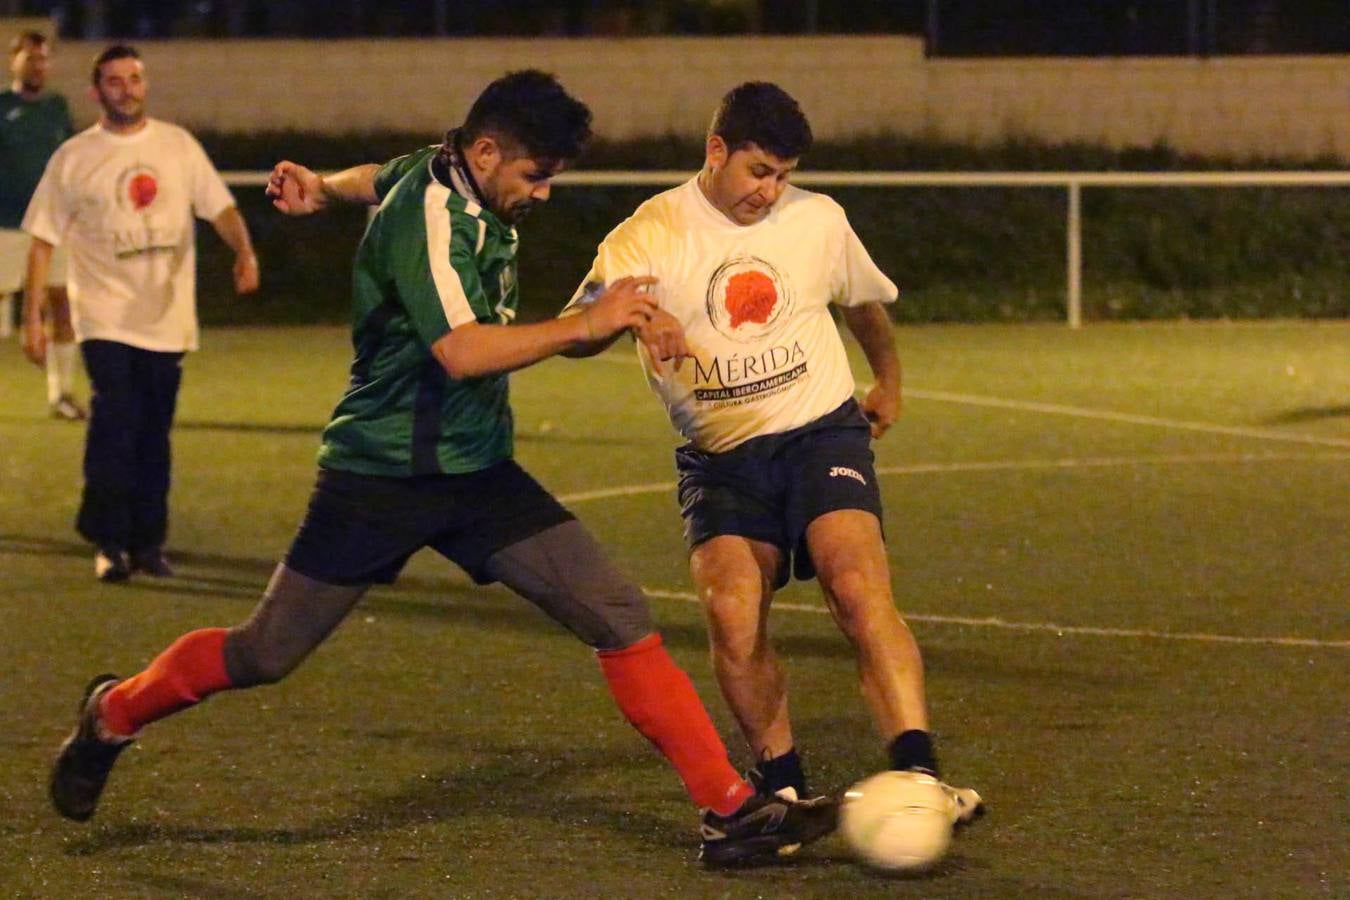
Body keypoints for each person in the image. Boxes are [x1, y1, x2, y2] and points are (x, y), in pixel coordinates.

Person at [48, 70, 834, 868]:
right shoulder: (429, 213)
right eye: (535, 176)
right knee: (264, 653)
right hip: (381, 475)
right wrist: (581, 326)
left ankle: (728, 810)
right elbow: (460, 352)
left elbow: (374, 175)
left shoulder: (442, 164)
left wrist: (322, 186)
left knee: (617, 611)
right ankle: (113, 713)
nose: (543, 195)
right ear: (488, 152)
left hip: (474, 472)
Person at [564, 82, 983, 825]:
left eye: (784, 176)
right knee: (732, 611)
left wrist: (887, 378)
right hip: (722, 459)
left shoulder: (817, 220)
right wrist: (635, 315)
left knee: (854, 583)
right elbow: (579, 327)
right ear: (717, 150)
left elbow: (862, 303)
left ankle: (919, 777)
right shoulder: (649, 232)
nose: (772, 191)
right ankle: (784, 788)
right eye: (760, 171)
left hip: (821, 433)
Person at [21, 44, 260, 582]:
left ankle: (149, 542)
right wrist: (33, 318)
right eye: (114, 80)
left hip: (167, 319)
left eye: (134, 79)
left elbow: (220, 206)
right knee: (116, 423)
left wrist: (243, 250)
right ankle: (110, 542)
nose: (126, 88)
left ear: (144, 85)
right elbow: (40, 241)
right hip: (104, 318)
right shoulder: (75, 157)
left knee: (154, 433)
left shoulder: (177, 146)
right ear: (95, 91)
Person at [0, 30, 83, 419]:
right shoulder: (1, 105)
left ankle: (61, 395)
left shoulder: (56, 108)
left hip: (52, 227)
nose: (38, 65)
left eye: (43, 58)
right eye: (31, 58)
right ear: (13, 60)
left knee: (61, 306)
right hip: (6, 225)